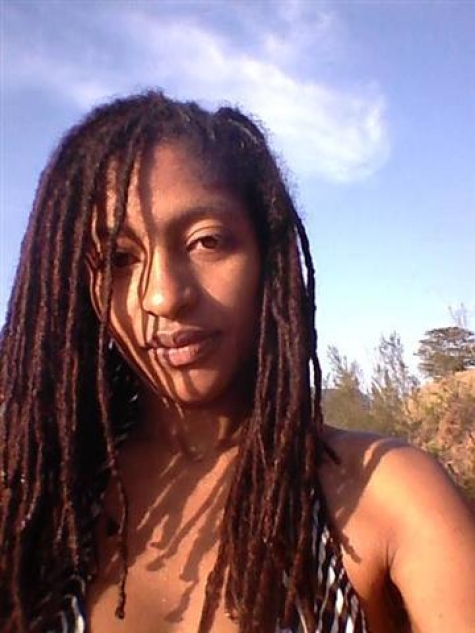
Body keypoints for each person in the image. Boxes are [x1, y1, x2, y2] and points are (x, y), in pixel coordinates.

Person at [0, 91, 474, 633]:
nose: (163, 297)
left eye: (206, 242)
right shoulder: (33, 508)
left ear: (267, 257)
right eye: (119, 259)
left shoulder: (390, 498)